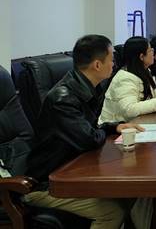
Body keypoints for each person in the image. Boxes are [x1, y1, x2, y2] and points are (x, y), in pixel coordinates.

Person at [24, 35, 143, 229]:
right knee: (111, 212)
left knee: (132, 195)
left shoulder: (87, 88)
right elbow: (90, 139)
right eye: (111, 59)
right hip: (45, 185)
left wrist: (113, 127)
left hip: (72, 171)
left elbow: (90, 131)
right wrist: (103, 131)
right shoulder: (63, 99)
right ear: (97, 65)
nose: (114, 64)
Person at [99, 37, 156, 124]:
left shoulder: (144, 70)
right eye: (150, 50)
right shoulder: (125, 78)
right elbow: (129, 109)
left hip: (135, 123)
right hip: (114, 127)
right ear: (142, 56)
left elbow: (147, 95)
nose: (153, 53)